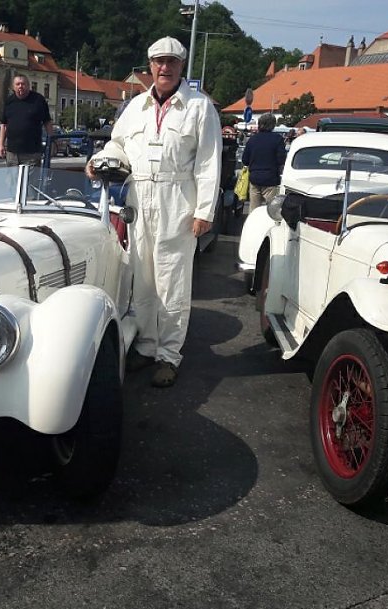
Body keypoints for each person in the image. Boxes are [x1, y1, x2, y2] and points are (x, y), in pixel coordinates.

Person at [85, 36, 222, 388]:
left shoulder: (198, 107)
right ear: (149, 67)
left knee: (172, 283)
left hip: (178, 200)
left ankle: (168, 355)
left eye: (172, 62)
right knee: (141, 280)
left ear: (181, 67)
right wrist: (100, 160)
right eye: (159, 62)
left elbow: (208, 162)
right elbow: (117, 143)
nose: (164, 68)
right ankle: (145, 347)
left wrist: (204, 210)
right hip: (139, 197)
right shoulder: (135, 108)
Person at [0, 74, 53, 166]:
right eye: (18, 84)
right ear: (13, 87)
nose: (20, 86)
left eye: (23, 84)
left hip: (32, 152)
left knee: (30, 180)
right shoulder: (9, 102)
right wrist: (1, 145)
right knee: (12, 180)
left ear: (28, 85)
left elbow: (47, 122)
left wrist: (51, 142)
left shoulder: (38, 100)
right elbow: (4, 125)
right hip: (12, 152)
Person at [241, 113, 285, 214]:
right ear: (273, 125)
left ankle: (253, 228)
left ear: (260, 124)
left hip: (255, 179)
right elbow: (281, 159)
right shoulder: (277, 139)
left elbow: (245, 160)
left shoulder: (252, 140)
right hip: (271, 179)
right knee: (272, 211)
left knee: (253, 211)